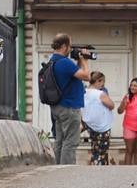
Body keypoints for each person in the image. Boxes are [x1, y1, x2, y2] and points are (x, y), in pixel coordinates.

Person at [48, 34, 91, 164]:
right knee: (71, 141)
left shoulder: (53, 61)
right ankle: (67, 171)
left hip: (58, 107)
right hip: (69, 107)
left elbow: (75, 74)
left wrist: (78, 61)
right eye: (70, 46)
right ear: (64, 46)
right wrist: (84, 60)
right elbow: (86, 76)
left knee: (60, 141)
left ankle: (57, 169)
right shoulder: (64, 62)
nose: (71, 49)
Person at [82, 71, 115, 165]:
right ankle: (99, 167)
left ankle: (95, 164)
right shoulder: (100, 94)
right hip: (102, 125)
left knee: (95, 147)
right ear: (98, 81)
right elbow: (111, 105)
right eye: (102, 82)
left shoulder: (84, 92)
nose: (103, 84)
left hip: (90, 124)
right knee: (102, 150)